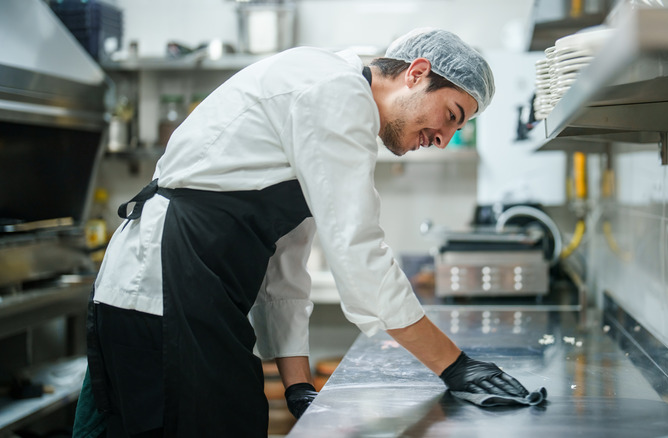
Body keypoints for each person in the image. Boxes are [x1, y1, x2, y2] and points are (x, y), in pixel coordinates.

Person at [75, 28, 540, 438]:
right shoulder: (335, 92)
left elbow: (285, 258)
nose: (444, 138)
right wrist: (456, 366)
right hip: (160, 291)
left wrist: (298, 385)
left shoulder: (333, 99)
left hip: (193, 293)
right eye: (452, 115)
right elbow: (358, 250)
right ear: (417, 73)